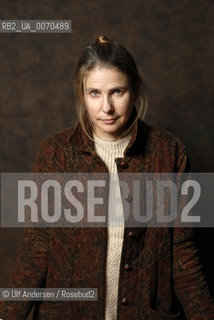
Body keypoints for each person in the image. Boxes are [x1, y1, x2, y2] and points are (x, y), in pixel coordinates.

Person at [0, 35, 214, 320]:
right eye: (95, 93)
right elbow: (37, 247)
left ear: (135, 90)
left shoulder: (169, 153)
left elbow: (182, 252)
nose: (106, 108)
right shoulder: (54, 153)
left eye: (117, 92)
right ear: (82, 94)